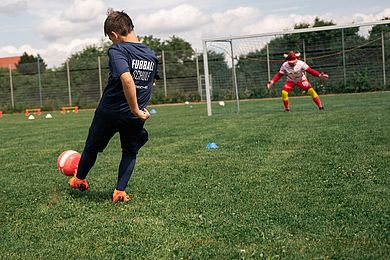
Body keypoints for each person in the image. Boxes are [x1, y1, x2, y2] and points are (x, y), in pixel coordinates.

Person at [68, 9, 159, 203]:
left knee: (92, 147)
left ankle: (79, 179)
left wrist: (134, 107)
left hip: (110, 112)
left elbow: (127, 79)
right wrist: (137, 110)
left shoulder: (118, 50)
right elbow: (152, 82)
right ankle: (119, 191)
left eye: (111, 39)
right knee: (130, 151)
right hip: (135, 116)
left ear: (114, 35)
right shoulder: (151, 55)